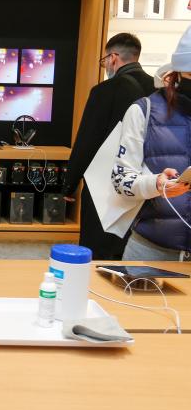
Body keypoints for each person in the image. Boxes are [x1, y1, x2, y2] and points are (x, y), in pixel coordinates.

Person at [63, 33, 153, 259]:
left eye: (104, 61)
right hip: (146, 184)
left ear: (113, 58)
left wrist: (69, 184)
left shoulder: (104, 91)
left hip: (104, 185)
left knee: (99, 248)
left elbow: (87, 141)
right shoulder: (159, 91)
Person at [111, 26, 191, 261]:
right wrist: (155, 184)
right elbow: (121, 179)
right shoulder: (144, 111)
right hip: (151, 250)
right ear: (177, 72)